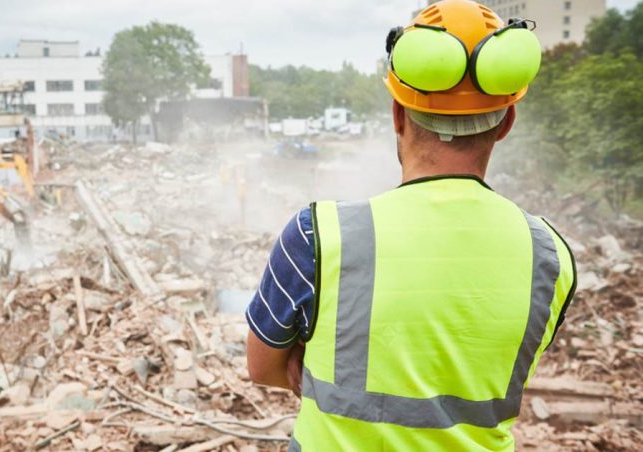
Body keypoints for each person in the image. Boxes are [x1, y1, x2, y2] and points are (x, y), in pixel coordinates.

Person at [244, 1, 577, 450]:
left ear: (398, 115)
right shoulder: (552, 257)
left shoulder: (316, 235)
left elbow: (263, 367)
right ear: (506, 123)